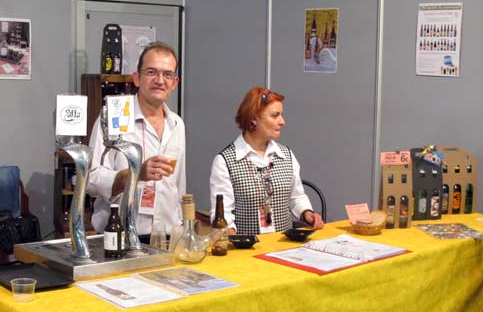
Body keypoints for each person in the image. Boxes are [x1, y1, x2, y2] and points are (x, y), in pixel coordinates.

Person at [87, 42, 186, 241]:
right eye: (151, 72)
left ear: (174, 83)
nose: (160, 80)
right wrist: (135, 174)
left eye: (167, 74)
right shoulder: (113, 117)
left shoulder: (177, 124)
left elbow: (178, 185)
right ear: (137, 78)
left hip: (167, 235)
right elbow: (90, 179)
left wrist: (182, 226)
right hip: (118, 235)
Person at [209, 87, 324, 236]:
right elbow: (222, 214)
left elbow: (296, 197)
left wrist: (306, 212)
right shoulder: (225, 161)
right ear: (253, 118)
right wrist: (232, 238)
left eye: (281, 115)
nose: (282, 122)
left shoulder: (286, 155)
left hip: (284, 248)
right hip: (247, 251)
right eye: (275, 115)